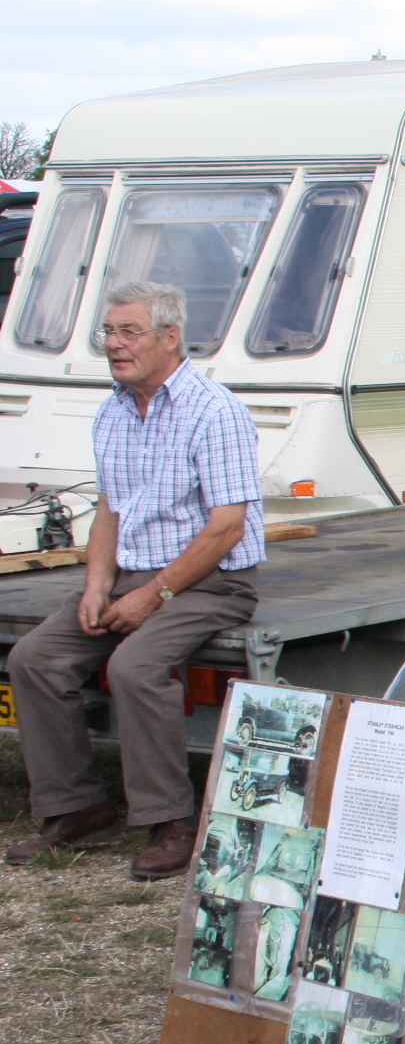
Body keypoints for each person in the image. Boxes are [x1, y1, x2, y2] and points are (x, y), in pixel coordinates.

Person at [4, 281, 264, 877]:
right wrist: (98, 585)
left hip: (212, 581)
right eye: (108, 333)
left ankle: (173, 820)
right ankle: (77, 809)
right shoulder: (114, 410)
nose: (114, 346)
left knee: (133, 665)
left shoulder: (214, 409)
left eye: (129, 332)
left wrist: (153, 594)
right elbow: (109, 511)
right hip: (131, 576)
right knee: (34, 657)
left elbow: (226, 528)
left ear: (170, 339)